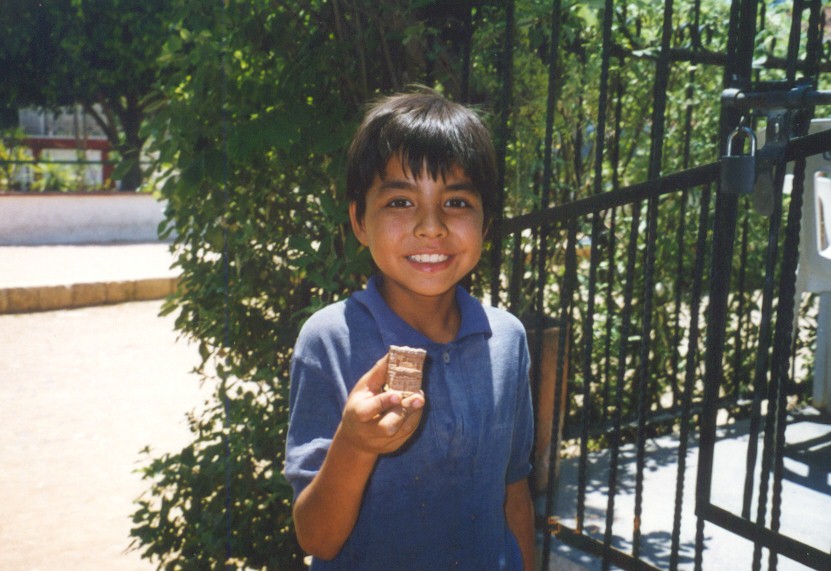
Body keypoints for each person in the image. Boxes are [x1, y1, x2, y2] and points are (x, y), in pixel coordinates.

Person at [285, 88, 536, 570]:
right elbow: (317, 537)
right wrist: (355, 445)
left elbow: (515, 490)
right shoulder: (329, 341)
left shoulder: (507, 339)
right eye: (401, 201)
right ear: (359, 221)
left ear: (486, 221)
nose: (431, 226)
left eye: (456, 201)